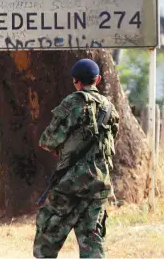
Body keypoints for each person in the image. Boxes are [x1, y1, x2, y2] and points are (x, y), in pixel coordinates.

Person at [33, 58, 120, 258]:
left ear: (75, 81)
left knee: (46, 242)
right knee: (92, 243)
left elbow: (48, 140)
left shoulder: (73, 102)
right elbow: (111, 142)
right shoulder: (110, 108)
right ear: (97, 79)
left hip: (69, 186)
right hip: (98, 186)